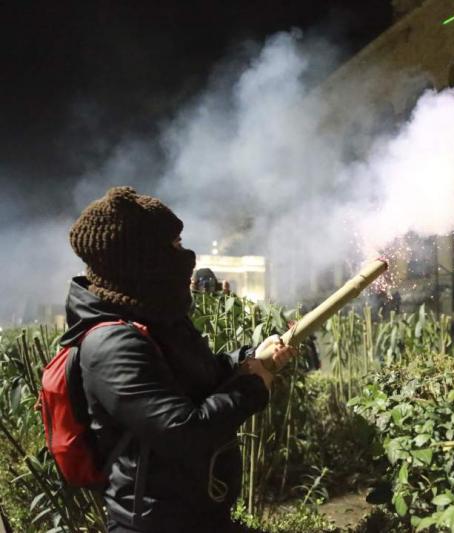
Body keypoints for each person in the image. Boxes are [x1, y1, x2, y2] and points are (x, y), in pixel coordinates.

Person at [64, 186, 295, 532]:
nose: (185, 255)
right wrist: (252, 387)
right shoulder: (111, 344)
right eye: (173, 246)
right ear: (143, 261)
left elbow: (201, 376)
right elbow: (183, 431)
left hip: (198, 516)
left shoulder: (158, 319)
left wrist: (249, 357)